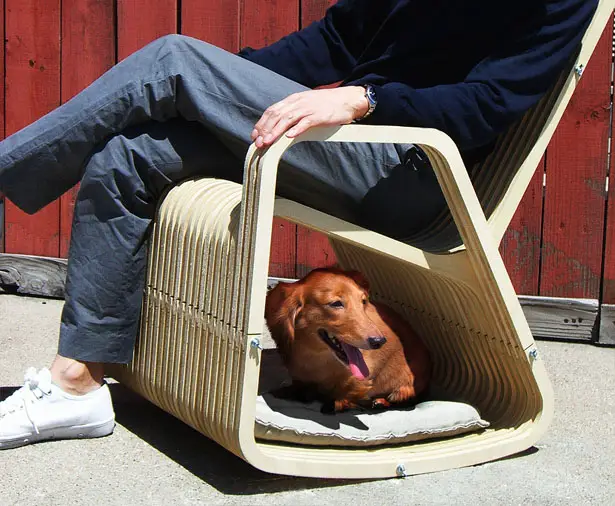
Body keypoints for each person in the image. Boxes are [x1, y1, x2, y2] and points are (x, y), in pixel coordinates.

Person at [0, 0, 597, 449]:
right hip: (350, 140)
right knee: (128, 155)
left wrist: (366, 99)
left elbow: (488, 104)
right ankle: (77, 382)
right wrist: (216, 85)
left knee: (172, 58)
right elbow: (336, 38)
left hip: (408, 165)